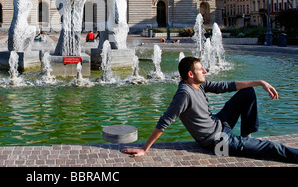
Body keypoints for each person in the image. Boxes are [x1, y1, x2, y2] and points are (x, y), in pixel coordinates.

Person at [122, 56, 298, 163]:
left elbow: (227, 85)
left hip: (220, 123)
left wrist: (260, 82)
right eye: (201, 69)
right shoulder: (184, 94)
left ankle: (246, 137)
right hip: (218, 142)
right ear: (191, 74)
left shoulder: (200, 84)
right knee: (272, 148)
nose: (205, 71)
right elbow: (165, 121)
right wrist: (145, 149)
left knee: (248, 92)